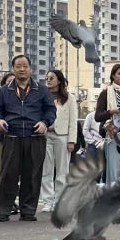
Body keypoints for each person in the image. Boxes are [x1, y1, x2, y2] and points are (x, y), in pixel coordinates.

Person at [0, 55, 56, 222]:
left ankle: (28, 211)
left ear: (30, 69)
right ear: (13, 69)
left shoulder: (41, 89)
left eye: (25, 66)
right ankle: (4, 211)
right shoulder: (4, 91)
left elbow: (50, 110)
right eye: (18, 66)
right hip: (12, 136)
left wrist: (45, 122)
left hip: (35, 137)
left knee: (32, 176)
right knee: (8, 175)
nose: (22, 69)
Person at [40, 70, 78, 212]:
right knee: (46, 170)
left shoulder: (69, 98)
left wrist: (71, 141)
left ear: (59, 80)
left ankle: (59, 201)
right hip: (45, 135)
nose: (48, 80)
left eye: (52, 78)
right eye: (47, 78)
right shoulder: (42, 96)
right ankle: (47, 201)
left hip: (63, 136)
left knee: (62, 171)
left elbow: (73, 121)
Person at [94, 64, 120, 184]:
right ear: (113, 76)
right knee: (114, 171)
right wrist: (111, 112)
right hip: (113, 135)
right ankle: (114, 194)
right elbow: (97, 116)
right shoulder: (106, 93)